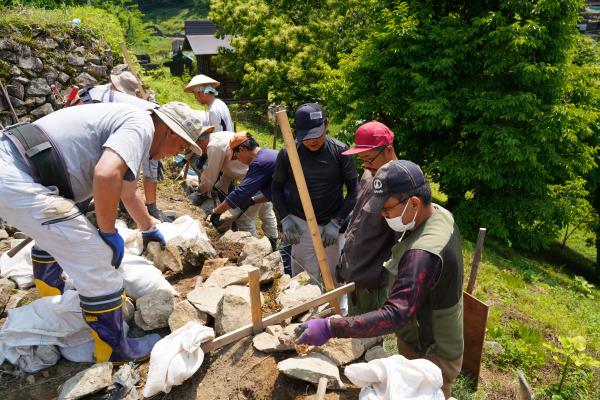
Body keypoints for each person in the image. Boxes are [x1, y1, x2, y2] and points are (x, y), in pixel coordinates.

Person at [0, 101, 210, 363]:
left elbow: (127, 192)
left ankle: (52, 297)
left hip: (14, 164)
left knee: (57, 234)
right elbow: (106, 174)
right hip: (14, 175)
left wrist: (148, 228)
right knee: (97, 259)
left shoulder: (131, 126)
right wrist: (107, 232)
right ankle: (114, 349)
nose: (173, 154)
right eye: (179, 147)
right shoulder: (141, 126)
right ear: (170, 131)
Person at [295, 160, 464, 398]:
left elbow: (395, 315)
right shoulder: (439, 215)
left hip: (431, 352)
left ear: (414, 202)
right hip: (425, 334)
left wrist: (330, 326)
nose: (383, 215)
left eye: (387, 209)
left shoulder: (422, 255)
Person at [271, 103, 358, 284]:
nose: (312, 141)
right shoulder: (289, 153)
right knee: (304, 280)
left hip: (332, 225)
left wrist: (337, 221)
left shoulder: (341, 151)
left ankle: (338, 311)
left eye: (317, 135)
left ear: (326, 124)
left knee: (336, 277)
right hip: (301, 224)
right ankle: (307, 312)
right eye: (306, 137)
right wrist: (285, 218)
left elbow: (354, 191)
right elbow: (276, 189)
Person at [72, 69, 174, 222]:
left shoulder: (95, 94)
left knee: (115, 172)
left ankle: (119, 208)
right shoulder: (142, 118)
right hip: (81, 143)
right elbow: (148, 165)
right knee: (97, 177)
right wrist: (150, 208)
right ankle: (77, 213)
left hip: (81, 139)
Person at [339, 121, 399, 315]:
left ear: (388, 149)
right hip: (354, 269)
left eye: (369, 159)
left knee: (369, 337)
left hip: (374, 279)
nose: (366, 165)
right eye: (362, 159)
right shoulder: (369, 173)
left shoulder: (400, 185)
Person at [194, 129, 278, 239]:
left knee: (245, 220)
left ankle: (255, 249)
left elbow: (241, 193)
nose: (237, 160)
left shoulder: (258, 163)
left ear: (242, 149)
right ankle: (272, 241)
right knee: (266, 211)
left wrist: (216, 212)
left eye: (235, 156)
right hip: (281, 194)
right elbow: (270, 193)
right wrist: (252, 200)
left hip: (295, 204)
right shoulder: (266, 154)